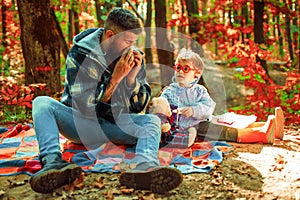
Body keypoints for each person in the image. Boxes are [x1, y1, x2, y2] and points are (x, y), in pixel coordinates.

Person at [30, 7, 182, 194]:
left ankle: (145, 168)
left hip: (114, 125)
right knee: (42, 103)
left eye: (134, 42)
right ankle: (53, 163)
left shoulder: (133, 57)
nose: (132, 47)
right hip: (80, 124)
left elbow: (139, 107)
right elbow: (84, 107)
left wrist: (131, 81)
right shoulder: (80, 54)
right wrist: (115, 80)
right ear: (110, 35)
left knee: (151, 121)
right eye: (127, 41)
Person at [159, 48, 284, 147]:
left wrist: (194, 110)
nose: (180, 72)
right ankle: (261, 135)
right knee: (224, 131)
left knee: (228, 122)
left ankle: (273, 128)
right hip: (189, 129)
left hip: (203, 120)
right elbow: (160, 110)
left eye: (185, 69)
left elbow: (208, 107)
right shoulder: (169, 92)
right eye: (178, 68)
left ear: (196, 74)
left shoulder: (199, 90)